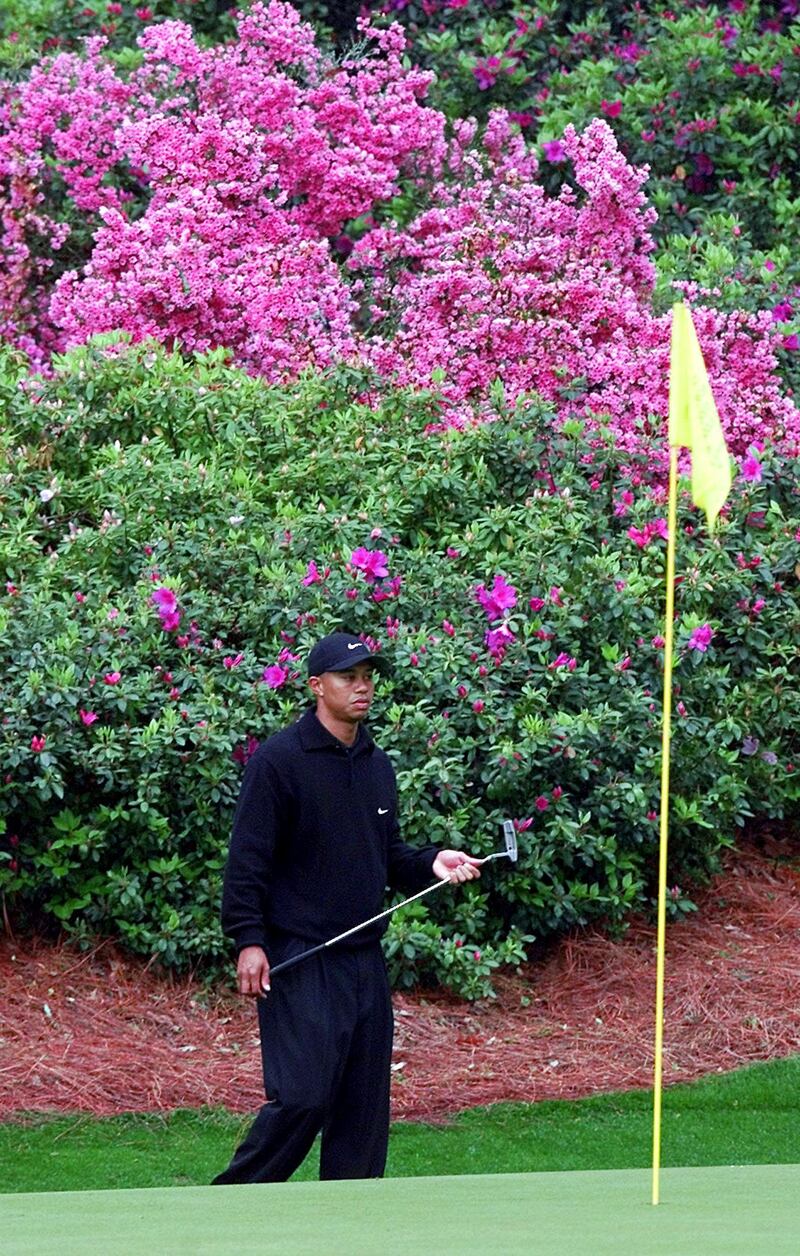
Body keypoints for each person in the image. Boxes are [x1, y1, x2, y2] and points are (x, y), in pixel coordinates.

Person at [212, 631, 482, 1184]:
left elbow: (386, 855)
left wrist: (431, 862)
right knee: (303, 1098)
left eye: (367, 677)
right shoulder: (280, 762)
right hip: (300, 955)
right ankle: (229, 1204)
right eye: (347, 678)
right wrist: (249, 940)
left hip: (363, 961)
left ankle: (349, 1232)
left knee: (363, 1114)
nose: (362, 688)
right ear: (317, 686)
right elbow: (248, 863)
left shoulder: (375, 765)